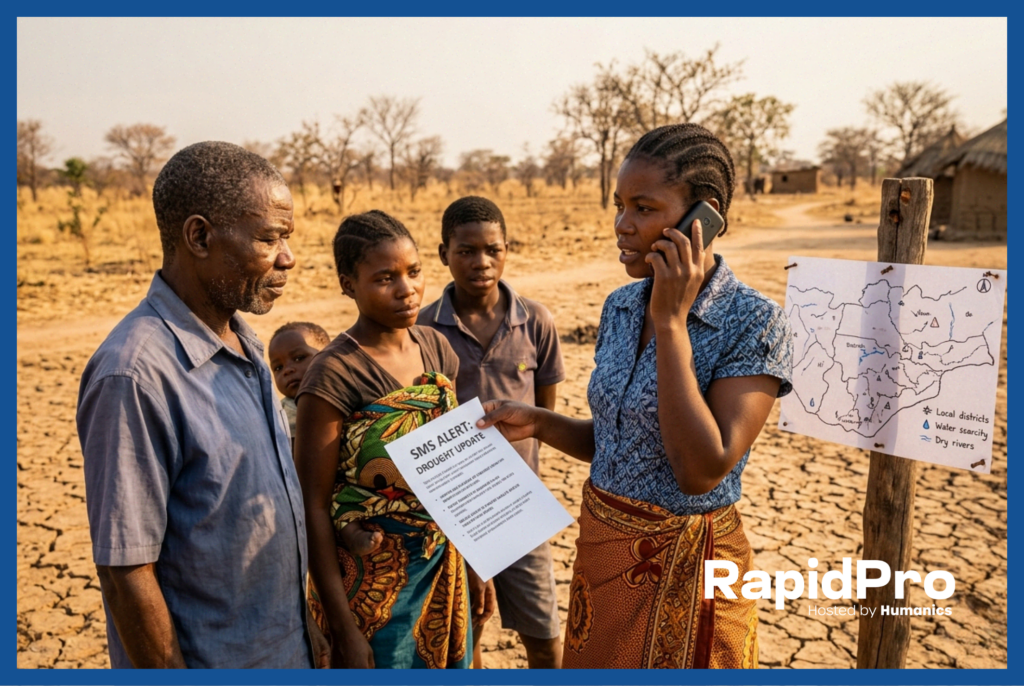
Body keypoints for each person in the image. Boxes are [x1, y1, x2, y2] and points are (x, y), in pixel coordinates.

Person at [478, 123, 793, 669]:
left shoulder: (753, 322)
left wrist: (671, 324)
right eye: (619, 206)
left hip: (689, 575)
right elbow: (622, 444)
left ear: (703, 218)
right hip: (604, 558)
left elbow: (701, 468)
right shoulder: (621, 307)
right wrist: (541, 423)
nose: (622, 226)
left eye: (643, 208)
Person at [76, 141, 327, 668]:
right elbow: (127, 573)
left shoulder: (246, 342)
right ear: (198, 236)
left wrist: (306, 630)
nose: (289, 257)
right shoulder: (134, 374)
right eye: (269, 238)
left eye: (289, 238)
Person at [295, 210, 490, 669]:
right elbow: (314, 506)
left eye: (414, 272)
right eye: (385, 278)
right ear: (348, 284)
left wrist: (480, 561)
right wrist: (343, 627)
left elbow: (458, 472)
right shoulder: (333, 373)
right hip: (368, 585)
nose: (407, 290)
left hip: (443, 565)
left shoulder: (435, 347)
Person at [417, 196, 565, 669]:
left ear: (507, 250)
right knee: (464, 634)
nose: (480, 262)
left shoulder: (535, 320)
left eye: (492, 249)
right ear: (444, 254)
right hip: (450, 508)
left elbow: (544, 414)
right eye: (465, 250)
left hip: (519, 503)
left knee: (542, 633)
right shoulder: (423, 329)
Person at [269, 321, 331, 440]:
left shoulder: (346, 392)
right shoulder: (278, 417)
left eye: (299, 358)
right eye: (278, 368)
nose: (287, 370)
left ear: (328, 355)